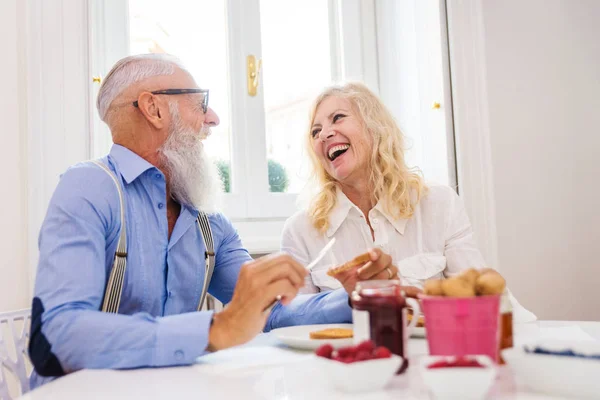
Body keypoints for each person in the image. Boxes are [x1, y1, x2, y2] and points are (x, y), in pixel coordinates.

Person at [27, 55, 397, 389]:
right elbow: (59, 334)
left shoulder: (209, 222)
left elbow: (271, 310)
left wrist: (354, 297)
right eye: (200, 103)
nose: (213, 118)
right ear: (153, 108)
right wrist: (216, 328)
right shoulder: (90, 188)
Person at [281, 82, 536, 321]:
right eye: (315, 132)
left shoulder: (440, 204)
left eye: (338, 118)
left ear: (374, 126)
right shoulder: (300, 230)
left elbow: (481, 297)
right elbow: (292, 319)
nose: (324, 134)